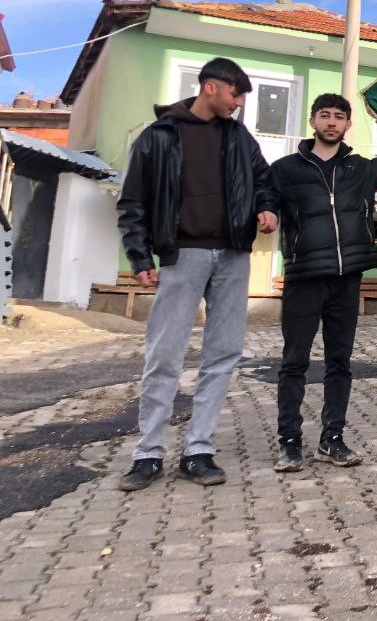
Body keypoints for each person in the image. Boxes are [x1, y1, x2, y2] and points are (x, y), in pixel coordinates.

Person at [116, 57, 278, 491]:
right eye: (236, 93)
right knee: (163, 356)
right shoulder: (159, 137)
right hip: (181, 255)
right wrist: (140, 258)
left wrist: (266, 207)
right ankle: (148, 454)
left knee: (223, 355)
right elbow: (132, 203)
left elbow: (263, 180)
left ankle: (198, 451)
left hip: (231, 256)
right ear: (211, 87)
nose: (240, 103)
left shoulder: (240, 138)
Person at [269, 93, 377, 472]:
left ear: (348, 125)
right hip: (304, 277)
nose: (332, 122)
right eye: (324, 115)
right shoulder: (285, 170)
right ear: (313, 121)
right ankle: (289, 442)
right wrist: (265, 213)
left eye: (339, 117)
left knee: (339, 362)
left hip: (346, 278)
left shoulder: (361, 170)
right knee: (294, 361)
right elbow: (262, 197)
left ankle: (332, 440)